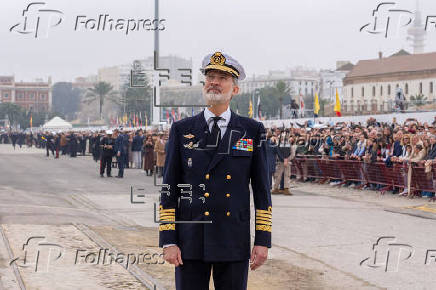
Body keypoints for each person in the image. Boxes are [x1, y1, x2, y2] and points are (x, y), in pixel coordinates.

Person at [160, 52, 271, 290]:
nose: (215, 82)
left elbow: (262, 190)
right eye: (210, 76)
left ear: (235, 89)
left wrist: (263, 241)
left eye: (223, 77)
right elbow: (169, 188)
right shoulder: (182, 130)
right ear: (203, 85)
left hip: (233, 238)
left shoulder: (251, 130)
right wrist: (168, 239)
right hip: (190, 239)